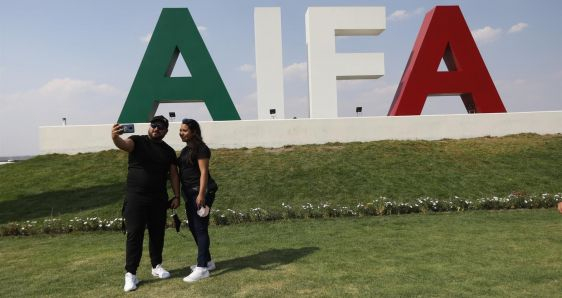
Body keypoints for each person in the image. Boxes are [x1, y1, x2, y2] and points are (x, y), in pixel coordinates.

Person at [111, 115, 181, 292]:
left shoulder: (168, 151)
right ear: (150, 127)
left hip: (158, 199)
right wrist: (114, 137)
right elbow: (124, 145)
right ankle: (130, 274)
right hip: (136, 198)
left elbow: (173, 175)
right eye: (154, 125)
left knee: (158, 234)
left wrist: (177, 195)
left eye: (160, 127)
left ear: (165, 131)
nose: (156, 129)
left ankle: (156, 266)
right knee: (135, 235)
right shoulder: (137, 141)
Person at [178, 118, 218, 282]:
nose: (181, 133)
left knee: (200, 228)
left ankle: (202, 268)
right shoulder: (185, 150)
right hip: (189, 194)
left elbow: (203, 173)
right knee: (194, 228)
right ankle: (208, 262)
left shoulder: (201, 149)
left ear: (194, 131)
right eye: (180, 130)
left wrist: (201, 195)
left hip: (201, 193)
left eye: (184, 130)